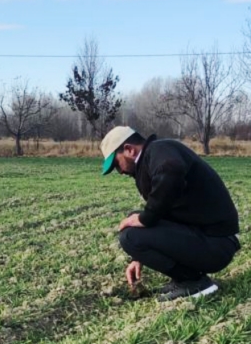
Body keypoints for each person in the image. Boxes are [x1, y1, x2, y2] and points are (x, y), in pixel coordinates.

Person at [101, 125, 240, 301]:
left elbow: (171, 169)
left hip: (217, 243)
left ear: (129, 150)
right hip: (207, 239)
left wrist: (146, 219)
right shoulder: (150, 159)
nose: (120, 172)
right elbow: (164, 211)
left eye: (116, 165)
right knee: (133, 220)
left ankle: (194, 282)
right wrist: (137, 256)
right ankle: (184, 279)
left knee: (130, 236)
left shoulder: (160, 149)